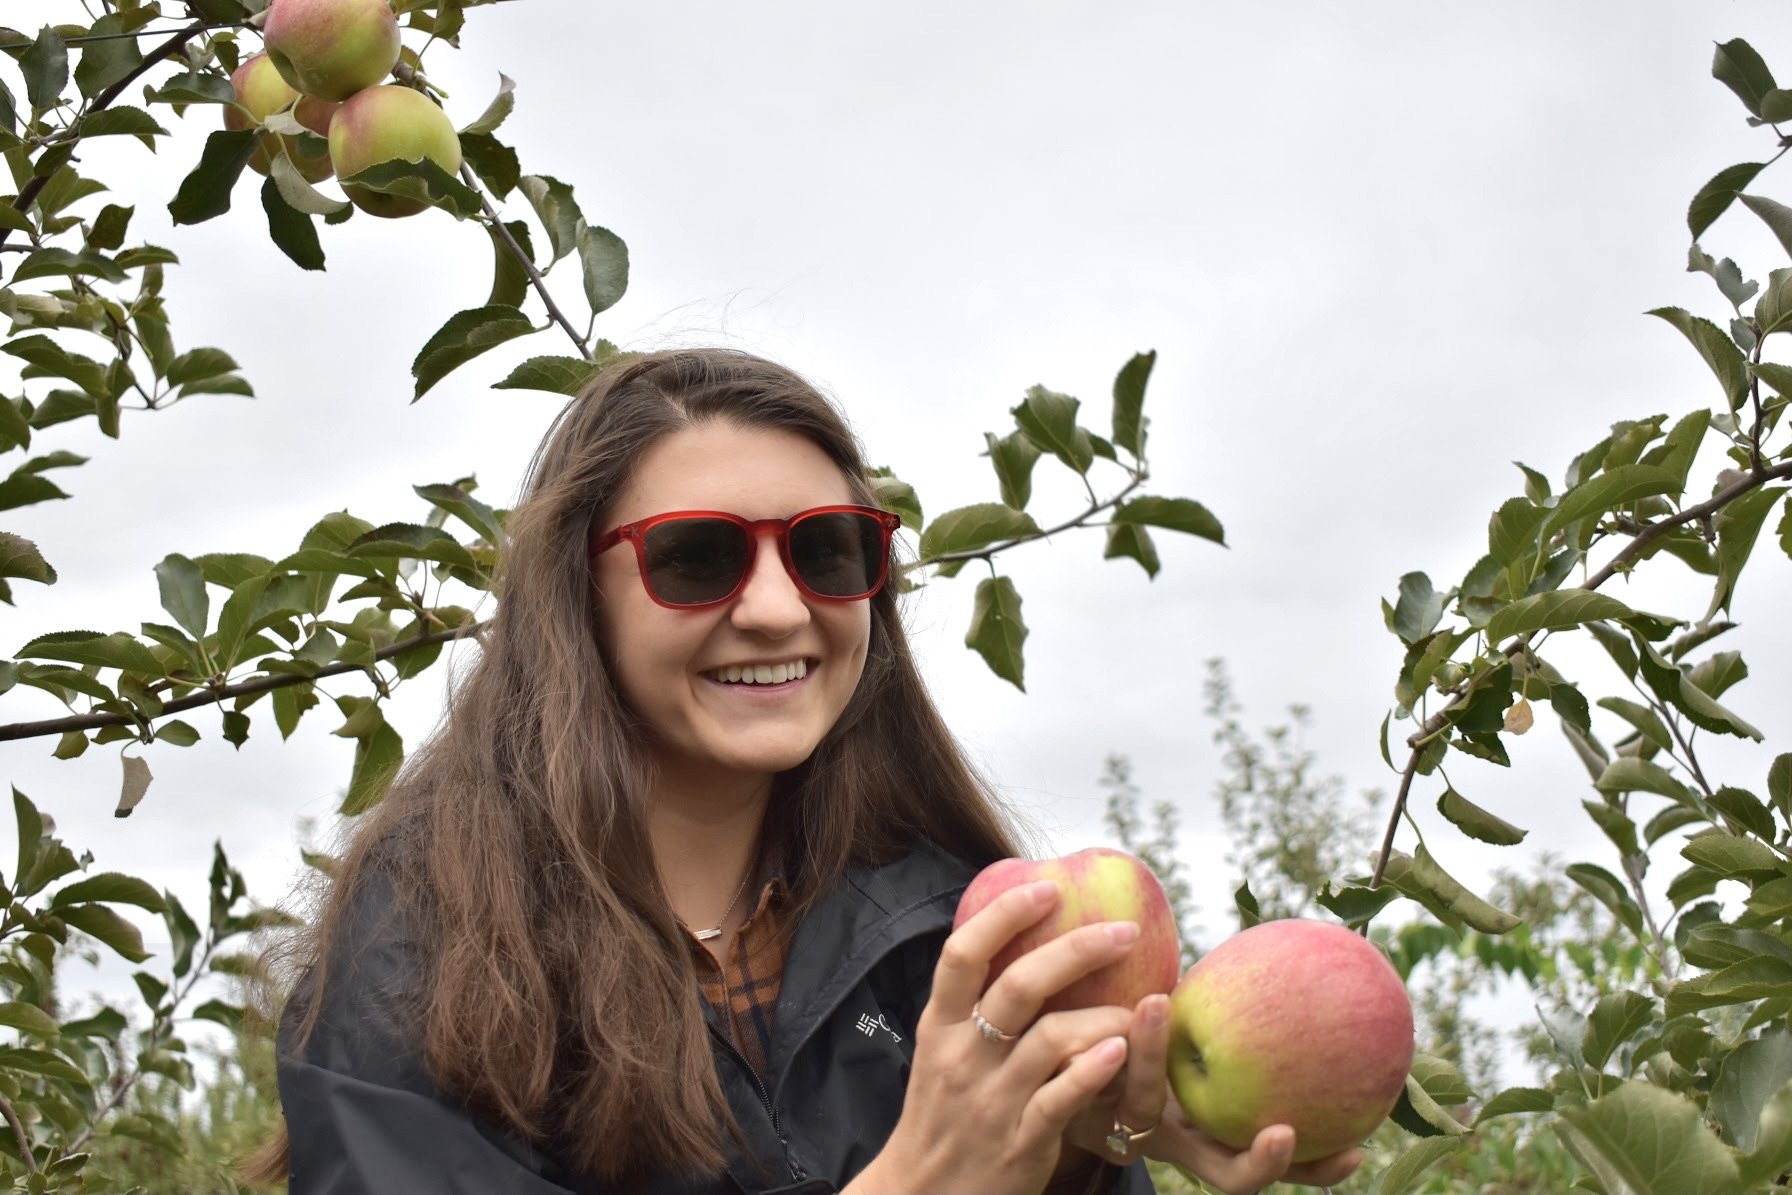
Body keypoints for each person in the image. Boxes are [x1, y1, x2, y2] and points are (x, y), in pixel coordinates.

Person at [253, 348, 1364, 1194]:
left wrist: (1086, 1147)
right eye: (697, 557)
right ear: (574, 599)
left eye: (828, 549)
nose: (780, 607)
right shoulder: (435, 941)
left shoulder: (951, 927)